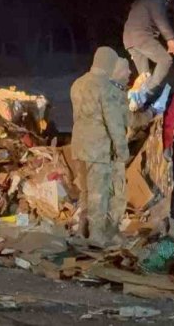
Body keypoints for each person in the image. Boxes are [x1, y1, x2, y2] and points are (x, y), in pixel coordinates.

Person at [70, 47, 133, 247]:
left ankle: (82, 229)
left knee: (85, 191)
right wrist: (122, 150)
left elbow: (76, 117)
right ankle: (96, 236)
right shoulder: (106, 87)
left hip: (79, 146)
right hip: (99, 148)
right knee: (99, 193)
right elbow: (113, 122)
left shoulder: (77, 84)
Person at [122, 0, 174, 100]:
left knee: (145, 76)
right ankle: (148, 91)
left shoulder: (143, 0)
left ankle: (139, 101)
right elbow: (160, 19)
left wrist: (134, 49)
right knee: (165, 60)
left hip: (129, 39)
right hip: (140, 36)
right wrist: (170, 39)